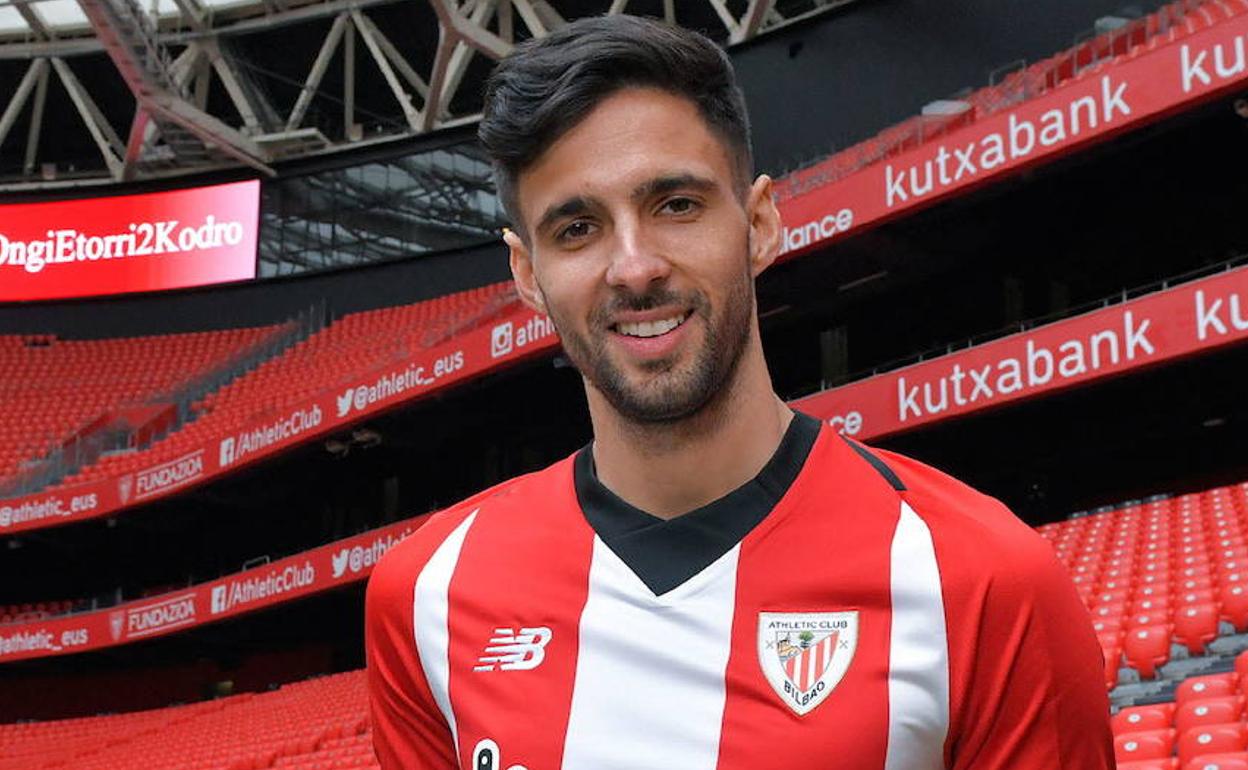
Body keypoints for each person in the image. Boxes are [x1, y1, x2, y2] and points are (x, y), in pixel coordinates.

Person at [366, 14, 1114, 770]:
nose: (634, 267)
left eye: (676, 206)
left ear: (759, 224)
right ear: (528, 276)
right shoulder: (429, 592)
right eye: (577, 228)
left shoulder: (981, 579)